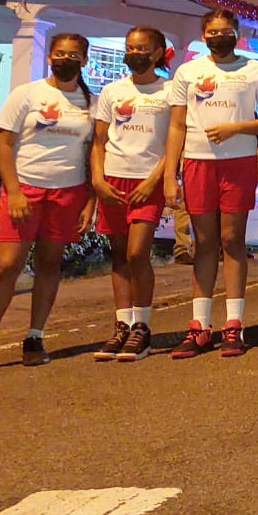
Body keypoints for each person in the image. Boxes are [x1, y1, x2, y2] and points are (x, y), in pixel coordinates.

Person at [0, 35, 97, 376]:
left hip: (68, 191)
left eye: (73, 55)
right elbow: (3, 144)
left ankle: (35, 338)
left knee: (49, 265)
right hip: (26, 189)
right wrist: (14, 191)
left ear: (84, 61)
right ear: (49, 57)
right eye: (60, 53)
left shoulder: (92, 102)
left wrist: (90, 200)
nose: (65, 59)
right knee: (7, 265)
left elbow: (94, 153)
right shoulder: (26, 94)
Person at [164, 8, 258, 358]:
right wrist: (170, 174)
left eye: (226, 31)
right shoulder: (188, 71)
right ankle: (199, 326)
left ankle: (233, 325)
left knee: (232, 240)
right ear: (203, 35)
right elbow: (176, 125)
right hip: (198, 163)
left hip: (238, 164)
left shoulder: (255, 71)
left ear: (237, 34)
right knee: (205, 243)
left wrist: (236, 128)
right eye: (212, 32)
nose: (219, 37)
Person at [89, 26, 173, 361]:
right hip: (113, 180)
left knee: (138, 253)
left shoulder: (169, 91)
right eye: (130, 47)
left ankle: (142, 327)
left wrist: (155, 181)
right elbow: (98, 141)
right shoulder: (112, 91)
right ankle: (122, 325)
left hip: (147, 182)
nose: (134, 53)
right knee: (120, 255)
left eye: (141, 48)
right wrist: (97, 179)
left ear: (157, 52)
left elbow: (175, 142)